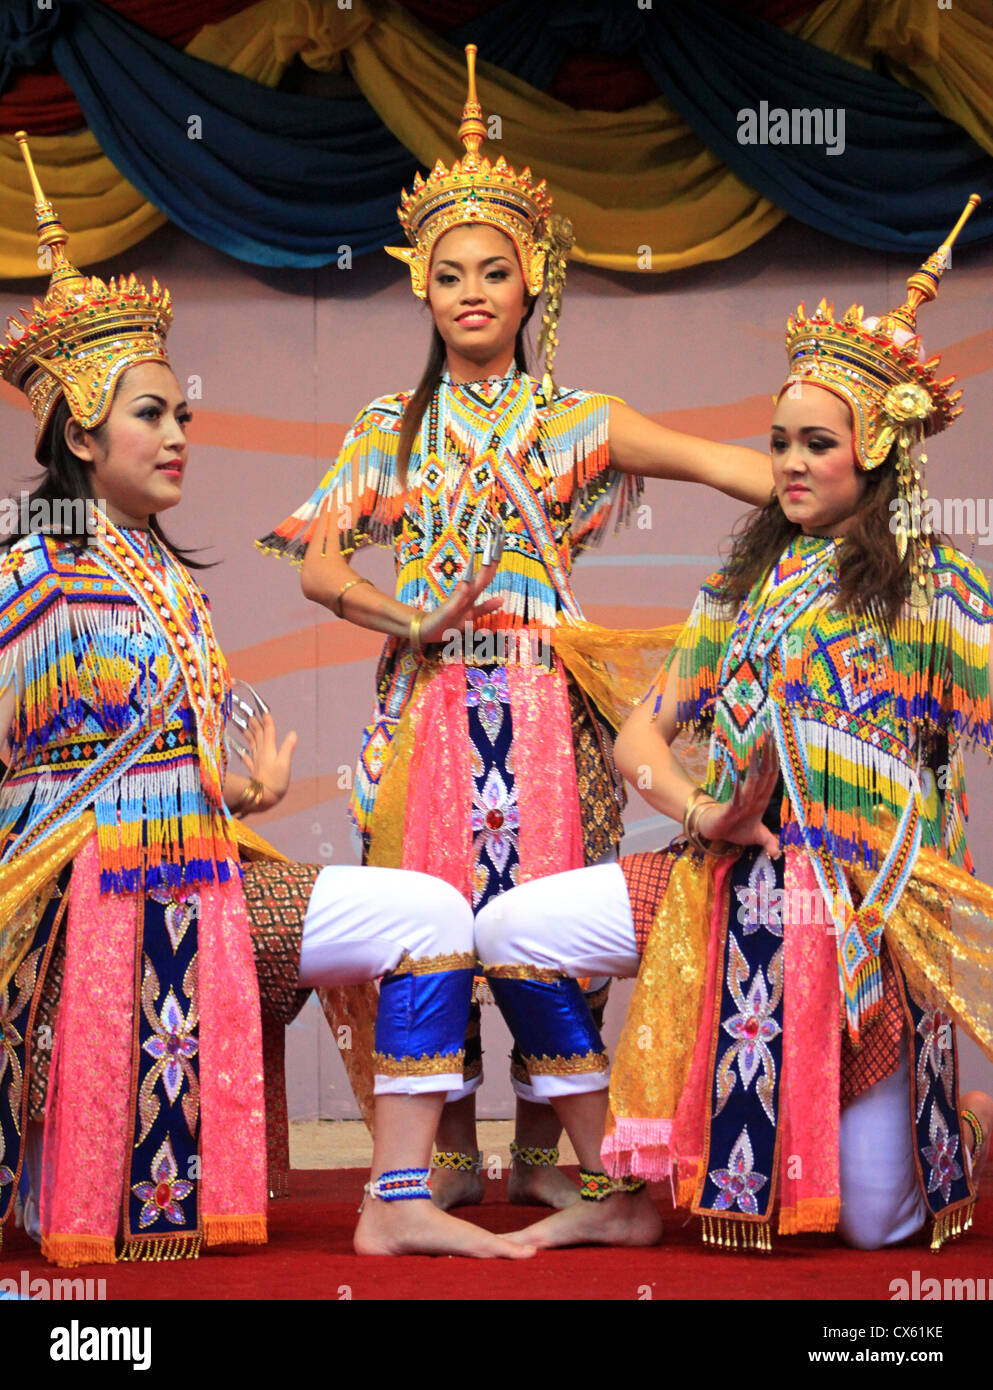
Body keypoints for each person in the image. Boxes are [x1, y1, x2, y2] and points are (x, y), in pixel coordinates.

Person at [0, 133, 532, 1264]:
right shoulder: (26, 562)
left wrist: (236, 787)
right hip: (87, 901)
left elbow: (156, 738)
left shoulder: (157, 569)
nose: (181, 432)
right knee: (66, 1208)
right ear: (83, 431)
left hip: (206, 868)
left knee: (431, 915)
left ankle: (394, 1197)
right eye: (153, 415)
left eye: (180, 413)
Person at [259, 45, 773, 1209]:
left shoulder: (580, 420)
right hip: (429, 711)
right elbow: (321, 566)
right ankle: (436, 1150)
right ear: (421, 290)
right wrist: (411, 613)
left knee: (542, 925)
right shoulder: (388, 426)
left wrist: (837, 476)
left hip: (548, 707)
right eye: (452, 275)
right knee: (428, 920)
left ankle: (550, 1150)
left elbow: (723, 463)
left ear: (534, 280)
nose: (474, 291)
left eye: (497, 270)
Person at [475, 199, 993, 1251]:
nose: (790, 464)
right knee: (507, 928)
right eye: (779, 443)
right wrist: (702, 805)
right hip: (719, 881)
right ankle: (612, 1178)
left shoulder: (940, 588)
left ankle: (964, 1126)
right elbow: (641, 736)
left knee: (878, 1226)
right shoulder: (741, 581)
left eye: (816, 443)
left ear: (879, 449)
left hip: (855, 912)